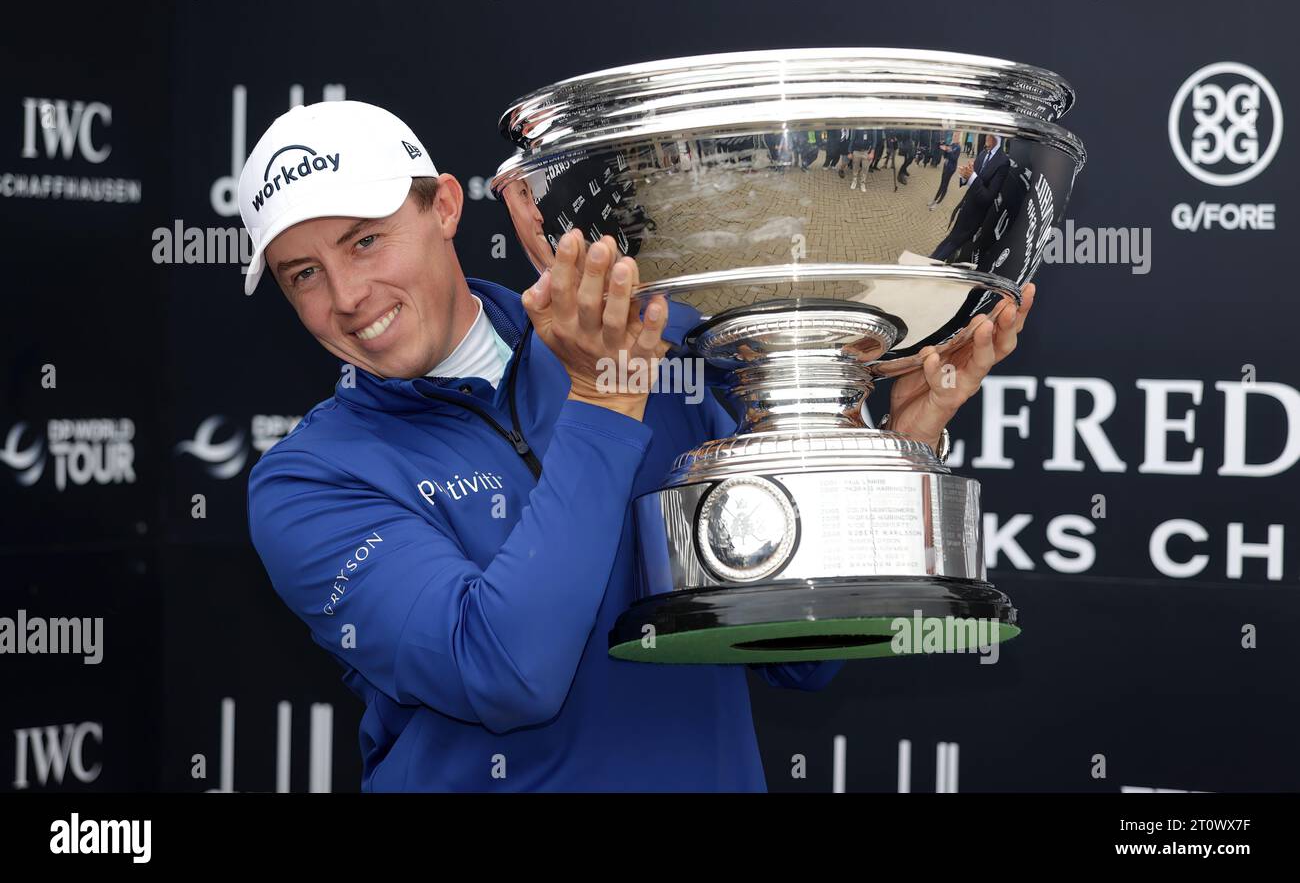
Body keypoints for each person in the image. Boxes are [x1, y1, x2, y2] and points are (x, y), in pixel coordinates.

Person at [237, 100, 1032, 792]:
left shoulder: (655, 337)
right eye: (302, 274)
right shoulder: (308, 482)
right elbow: (508, 673)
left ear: (445, 206)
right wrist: (605, 394)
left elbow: (801, 646)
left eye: (366, 241)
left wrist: (900, 437)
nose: (345, 298)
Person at [930, 133, 1011, 262]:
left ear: (997, 137)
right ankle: (933, 261)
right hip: (965, 209)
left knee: (951, 244)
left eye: (989, 135)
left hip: (975, 217)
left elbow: (988, 198)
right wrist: (965, 175)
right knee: (951, 240)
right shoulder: (983, 153)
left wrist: (972, 177)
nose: (985, 137)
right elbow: (972, 179)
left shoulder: (1003, 162)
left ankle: (930, 264)